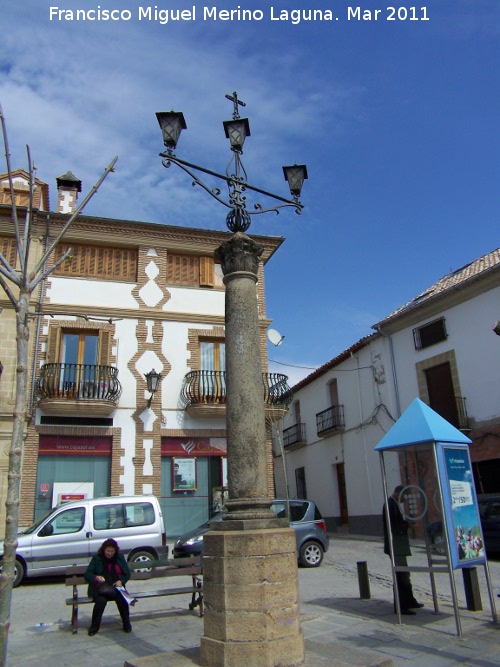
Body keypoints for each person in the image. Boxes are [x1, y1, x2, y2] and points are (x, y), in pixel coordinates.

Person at [383, 485, 424, 615]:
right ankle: (401, 606)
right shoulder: (390, 504)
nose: (405, 501)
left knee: (405, 574)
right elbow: (394, 525)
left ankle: (410, 600)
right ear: (399, 493)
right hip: (396, 545)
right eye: (404, 497)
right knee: (401, 576)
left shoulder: (394, 504)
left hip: (399, 545)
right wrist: (407, 525)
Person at [84, 538, 132, 636]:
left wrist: (121, 581)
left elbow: (126, 573)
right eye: (108, 551)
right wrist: (96, 577)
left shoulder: (120, 557)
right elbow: (88, 574)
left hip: (117, 587)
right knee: (100, 602)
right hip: (101, 588)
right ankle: (94, 627)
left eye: (112, 551)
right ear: (103, 550)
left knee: (123, 599)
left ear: (115, 551)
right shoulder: (97, 558)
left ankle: (127, 625)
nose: (110, 553)